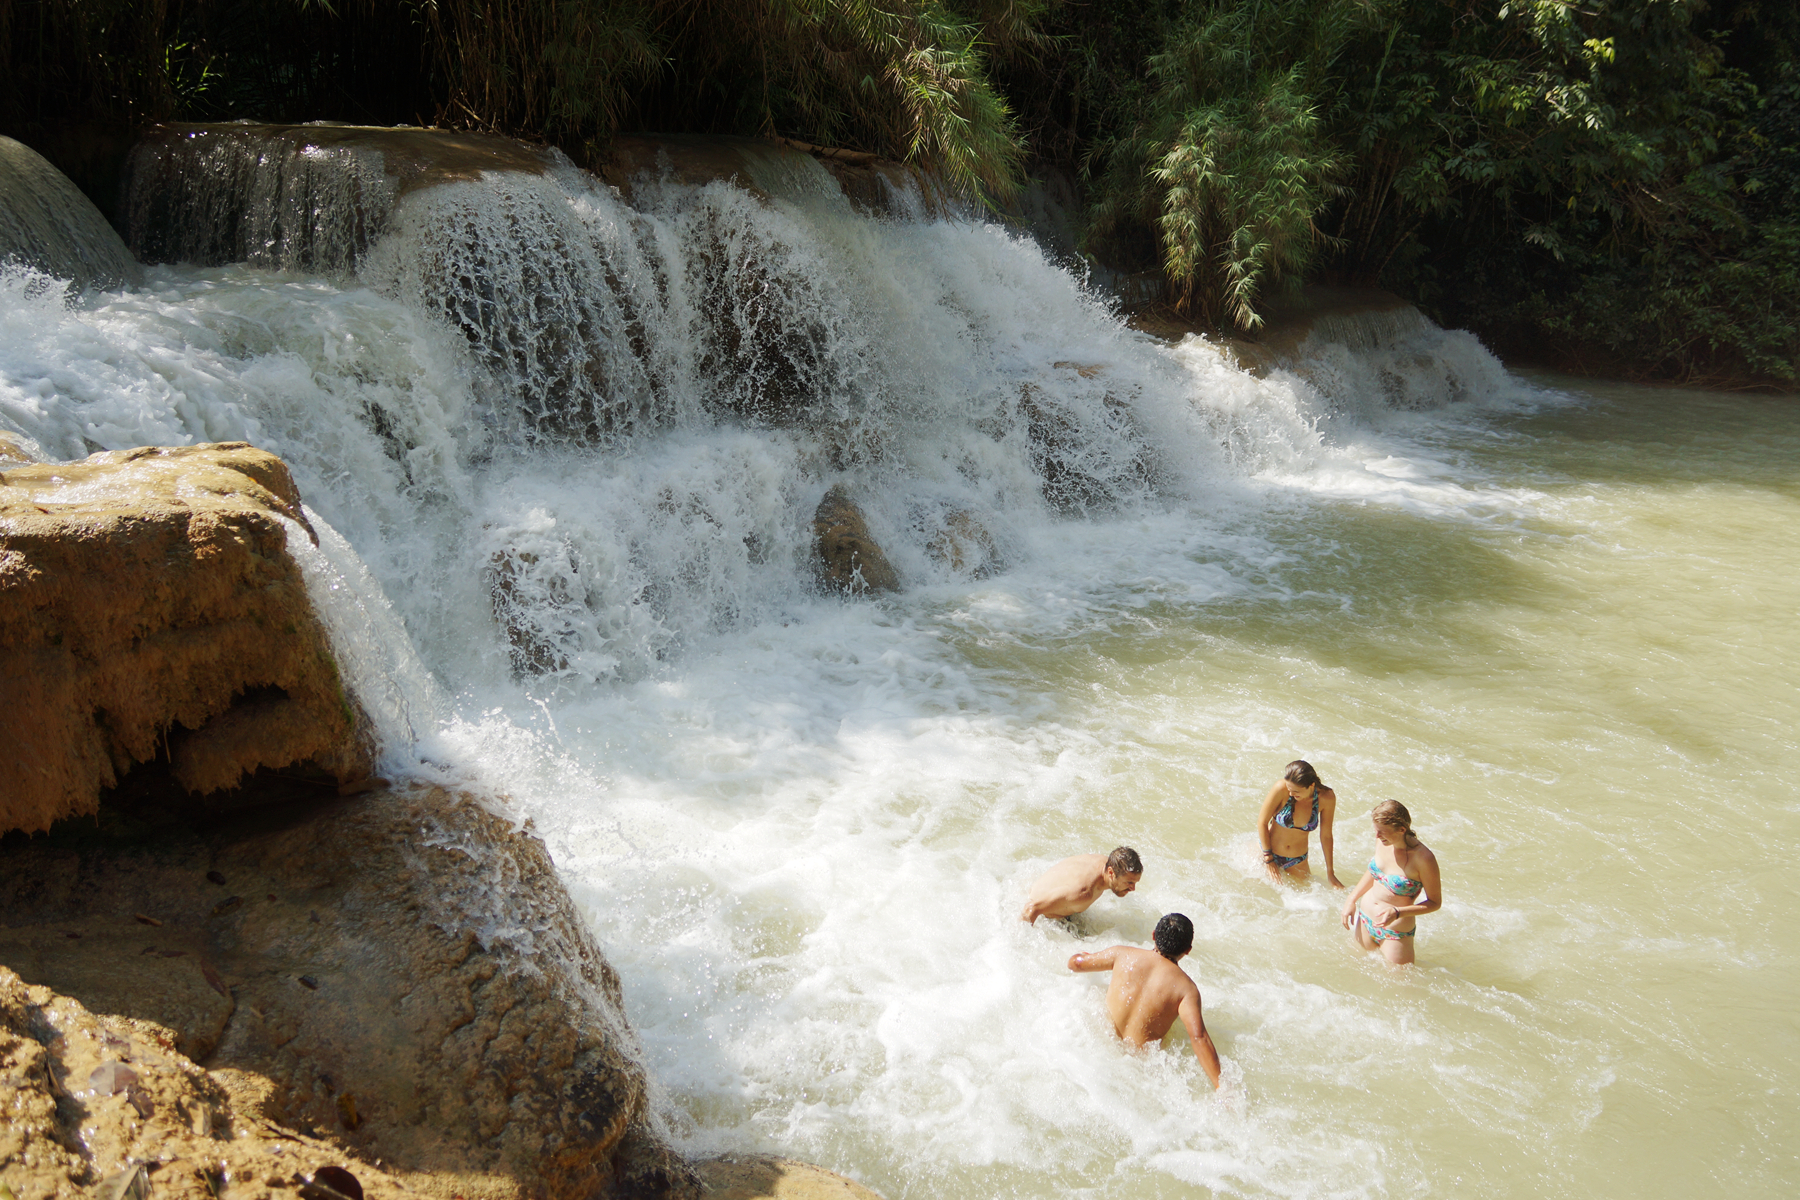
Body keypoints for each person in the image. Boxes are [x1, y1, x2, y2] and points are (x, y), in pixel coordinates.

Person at [1067, 913, 1222, 1089]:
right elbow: (1199, 1037)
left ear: (1154, 935)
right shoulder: (1186, 989)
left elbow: (1076, 964)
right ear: (1188, 950)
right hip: (1138, 1072)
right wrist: (1221, 1086)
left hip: (1096, 1049)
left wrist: (1080, 956)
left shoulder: (1122, 954)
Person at [1340, 800, 1442, 965]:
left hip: (1395, 932)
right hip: (1365, 920)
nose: (1377, 836)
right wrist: (1351, 899)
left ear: (1402, 829)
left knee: (1399, 987)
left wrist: (1398, 912)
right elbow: (1374, 872)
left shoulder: (1424, 858)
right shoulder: (1382, 841)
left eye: (1381, 832)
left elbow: (1435, 902)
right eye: (1376, 830)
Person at [1255, 760, 1343, 886]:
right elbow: (1261, 822)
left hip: (1297, 860)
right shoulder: (1281, 788)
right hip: (1268, 852)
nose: (1291, 793)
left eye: (1296, 791)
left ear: (1311, 786)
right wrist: (1269, 860)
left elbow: (1326, 836)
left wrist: (1330, 873)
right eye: (1289, 789)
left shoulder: (1327, 798)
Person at [1020, 847, 1143, 924]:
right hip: (1044, 917)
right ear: (1111, 872)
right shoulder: (1083, 893)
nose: (1133, 889)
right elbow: (1031, 908)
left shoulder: (1107, 862)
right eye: (1129, 883)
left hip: (1046, 890)